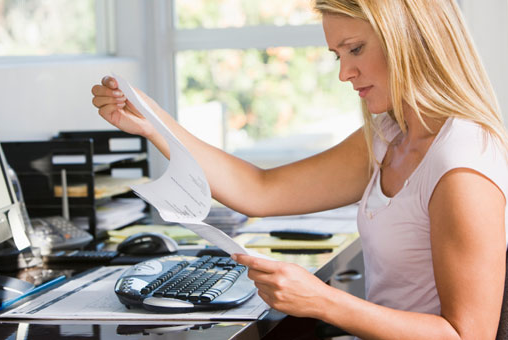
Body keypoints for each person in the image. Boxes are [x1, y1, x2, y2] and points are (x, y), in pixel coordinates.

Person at [91, 0, 508, 338]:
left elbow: (467, 334)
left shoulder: (460, 167)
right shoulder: (390, 136)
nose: (345, 73)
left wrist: (323, 301)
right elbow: (261, 189)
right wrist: (155, 123)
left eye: (355, 49)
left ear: (410, 39)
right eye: (338, 55)